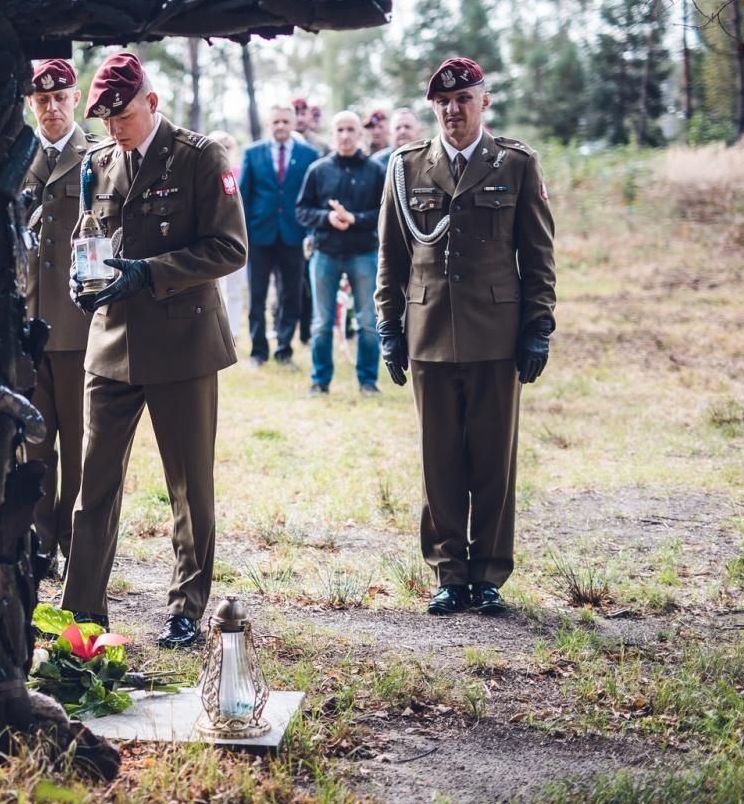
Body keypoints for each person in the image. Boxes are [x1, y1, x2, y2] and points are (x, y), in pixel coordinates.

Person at [60, 52, 248, 648]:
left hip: (182, 344)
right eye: (107, 119)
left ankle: (186, 608)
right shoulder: (97, 164)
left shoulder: (198, 158)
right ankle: (83, 611)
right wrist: (78, 273)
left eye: (125, 115)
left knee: (188, 485)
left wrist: (148, 273)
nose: (115, 128)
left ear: (152, 102)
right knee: (94, 485)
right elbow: (86, 234)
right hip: (112, 344)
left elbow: (229, 247)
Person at [375, 57, 556, 617]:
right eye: (443, 103)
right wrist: (388, 325)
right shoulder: (406, 168)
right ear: (434, 107)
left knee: (493, 460)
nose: (453, 111)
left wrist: (538, 326)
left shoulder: (515, 164)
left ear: (484, 102)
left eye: (464, 100)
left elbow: (538, 253)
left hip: (496, 336)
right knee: (440, 459)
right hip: (428, 333)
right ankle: (449, 573)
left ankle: (490, 575)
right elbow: (391, 257)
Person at [0, 58, 96, 578]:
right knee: (35, 444)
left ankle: (75, 542)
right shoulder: (12, 158)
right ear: (30, 104)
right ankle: (42, 543)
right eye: (41, 100)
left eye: (60, 97)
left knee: (85, 445)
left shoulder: (99, 156)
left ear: (76, 98)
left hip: (82, 328)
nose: (51, 108)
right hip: (26, 331)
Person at [294, 111, 386, 397]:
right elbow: (302, 210)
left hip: (364, 254)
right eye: (340, 130)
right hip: (325, 253)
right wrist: (328, 218)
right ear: (332, 135)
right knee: (321, 323)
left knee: (368, 321)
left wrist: (354, 218)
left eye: (351, 130)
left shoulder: (375, 170)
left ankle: (368, 382)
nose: (345, 135)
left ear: (360, 134)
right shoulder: (318, 170)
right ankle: (320, 381)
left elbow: (384, 213)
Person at [238, 104, 318, 366]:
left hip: (294, 235)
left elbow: (313, 198)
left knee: (290, 296)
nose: (281, 126)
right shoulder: (253, 152)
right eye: (276, 122)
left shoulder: (309, 155)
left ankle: (284, 349)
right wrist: (244, 233)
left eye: (285, 121)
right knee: (258, 296)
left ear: (293, 123)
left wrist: (309, 232)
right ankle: (258, 351)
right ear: (269, 124)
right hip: (259, 235)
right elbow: (243, 197)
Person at [205, 131, 247, 336]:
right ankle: (214, 331)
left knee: (234, 289)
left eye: (227, 146)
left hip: (235, 238)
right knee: (211, 289)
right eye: (218, 145)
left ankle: (232, 332)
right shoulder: (201, 175)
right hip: (208, 240)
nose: (222, 150)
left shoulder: (241, 174)